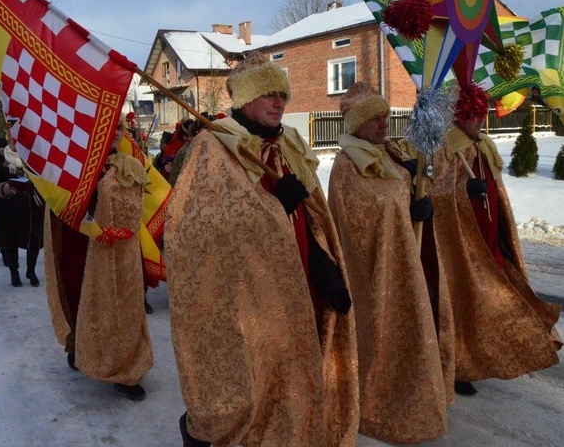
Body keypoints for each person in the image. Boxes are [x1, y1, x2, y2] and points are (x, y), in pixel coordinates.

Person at [165, 51, 358, 447]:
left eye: (282, 94)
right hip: (239, 296)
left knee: (287, 373)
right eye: (268, 93)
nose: (279, 102)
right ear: (245, 98)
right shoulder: (214, 145)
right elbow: (203, 229)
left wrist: (326, 270)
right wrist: (276, 206)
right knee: (245, 378)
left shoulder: (288, 144)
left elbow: (311, 218)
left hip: (296, 281)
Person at [327, 82, 453, 443]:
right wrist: (403, 208)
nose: (384, 123)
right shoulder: (347, 164)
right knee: (384, 337)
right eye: (374, 118)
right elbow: (359, 220)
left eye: (385, 115)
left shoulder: (389, 152)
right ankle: (379, 406)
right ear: (356, 123)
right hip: (376, 274)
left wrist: (418, 193)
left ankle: (417, 395)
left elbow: (403, 188)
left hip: (405, 262)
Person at [417, 104, 562, 396]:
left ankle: (485, 355)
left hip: (490, 241)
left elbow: (498, 196)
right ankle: (459, 366)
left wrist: (501, 234)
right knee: (464, 305)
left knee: (494, 301)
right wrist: (462, 191)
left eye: (483, 113)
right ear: (460, 117)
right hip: (462, 248)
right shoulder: (447, 148)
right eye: (475, 114)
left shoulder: (484, 145)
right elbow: (432, 192)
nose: (481, 119)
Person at [44, 115, 153, 402]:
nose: (115, 133)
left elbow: (136, 208)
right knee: (78, 294)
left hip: (118, 249)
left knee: (122, 304)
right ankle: (79, 346)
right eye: (109, 127)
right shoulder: (74, 163)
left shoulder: (130, 166)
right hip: (80, 243)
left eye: (119, 128)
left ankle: (127, 368)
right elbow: (59, 203)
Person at [0, 137, 44, 287]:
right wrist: (4, 188)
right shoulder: (0, 162)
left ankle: (31, 271)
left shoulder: (33, 159)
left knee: (34, 240)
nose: (17, 146)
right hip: (9, 206)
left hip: (31, 205)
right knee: (11, 241)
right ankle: (14, 273)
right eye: (14, 143)